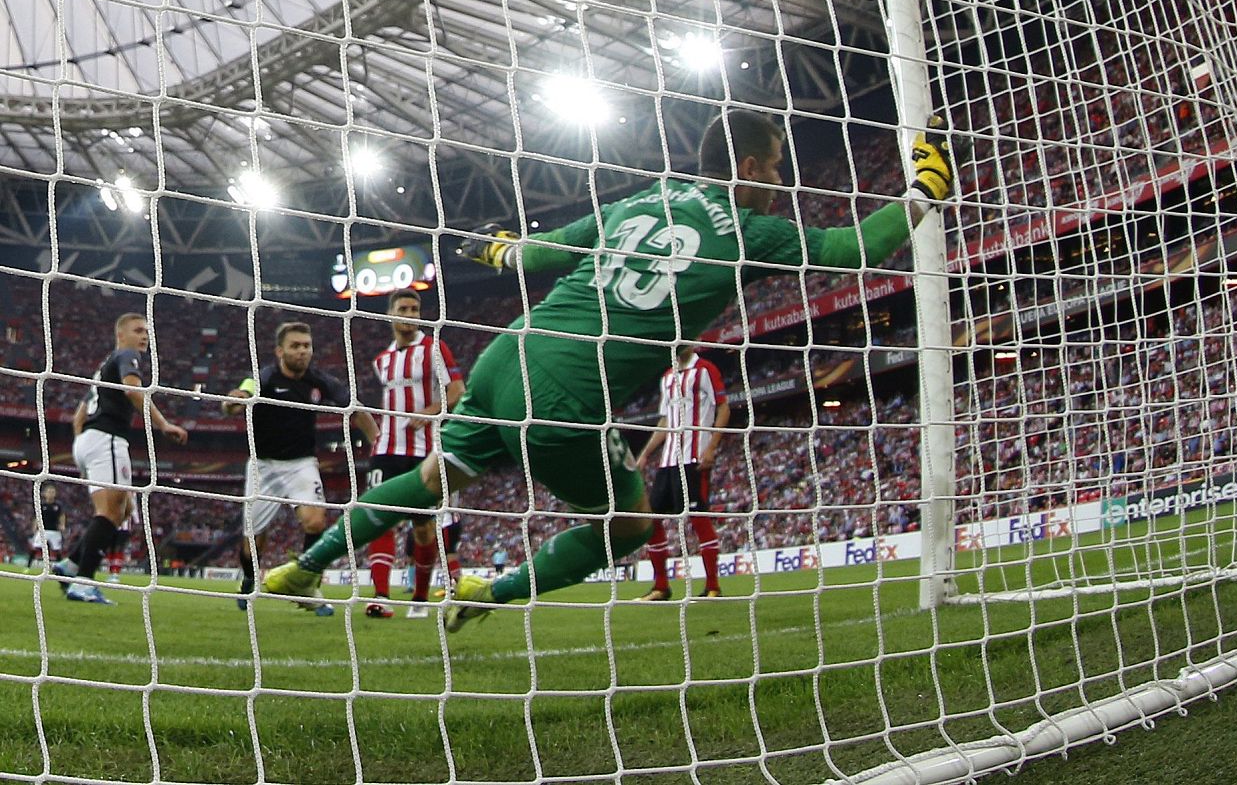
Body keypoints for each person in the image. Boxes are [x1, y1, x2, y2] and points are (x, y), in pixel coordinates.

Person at [266, 110, 954, 631]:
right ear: (746, 165)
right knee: (630, 524)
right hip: (567, 388)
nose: (779, 182)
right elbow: (855, 246)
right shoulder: (753, 231)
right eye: (775, 168)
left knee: (430, 477)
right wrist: (925, 188)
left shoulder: (644, 197)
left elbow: (540, 254)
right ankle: (488, 593)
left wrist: (497, 253)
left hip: (508, 352)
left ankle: (305, 565)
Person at [231, 321, 376, 614]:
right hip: (263, 466)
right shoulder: (264, 377)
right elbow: (241, 396)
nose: (302, 351)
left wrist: (377, 440)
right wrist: (233, 402)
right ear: (280, 350)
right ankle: (248, 578)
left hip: (301, 464)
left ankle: (307, 585)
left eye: (306, 346)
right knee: (251, 546)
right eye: (295, 346)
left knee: (315, 522)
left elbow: (355, 408)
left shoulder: (318, 380)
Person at [52, 313, 188, 604]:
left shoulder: (103, 367)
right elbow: (133, 390)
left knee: (123, 508)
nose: (144, 337)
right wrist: (163, 424)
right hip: (107, 439)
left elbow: (79, 415)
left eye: (147, 333)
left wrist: (82, 450)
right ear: (121, 335)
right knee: (112, 512)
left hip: (89, 439)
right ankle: (84, 582)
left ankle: (70, 565)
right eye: (138, 330)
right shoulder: (126, 355)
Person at [363, 289, 466, 618]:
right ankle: (380, 596)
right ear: (390, 314)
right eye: (403, 308)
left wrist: (432, 410)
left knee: (423, 528)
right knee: (379, 521)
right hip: (386, 449)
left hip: (425, 451)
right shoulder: (382, 360)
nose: (409, 313)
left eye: (414, 308)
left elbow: (458, 391)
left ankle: (420, 599)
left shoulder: (434, 348)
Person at [636, 345, 731, 600]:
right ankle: (661, 586)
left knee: (698, 519)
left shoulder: (706, 370)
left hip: (694, 457)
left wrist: (711, 447)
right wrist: (646, 453)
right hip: (668, 462)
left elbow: (724, 408)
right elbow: (665, 421)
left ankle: (712, 586)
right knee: (651, 521)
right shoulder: (667, 376)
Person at [27, 482, 65, 571]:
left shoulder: (58, 506)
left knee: (57, 550)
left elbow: (62, 516)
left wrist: (62, 525)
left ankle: (60, 569)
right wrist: (34, 526)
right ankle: (28, 566)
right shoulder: (41, 505)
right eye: (49, 492)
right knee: (36, 547)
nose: (51, 493)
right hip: (42, 530)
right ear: (44, 494)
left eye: (53, 492)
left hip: (55, 531)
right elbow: (37, 516)